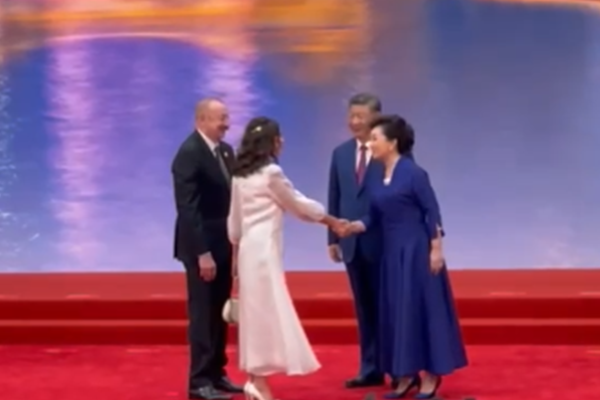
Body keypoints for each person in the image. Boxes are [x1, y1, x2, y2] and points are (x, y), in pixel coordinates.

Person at [338, 115, 467, 399]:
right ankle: (406, 374)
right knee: (398, 312)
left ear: (392, 143)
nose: (370, 143)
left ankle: (431, 375)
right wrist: (354, 226)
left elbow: (431, 211)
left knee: (422, 309)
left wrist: (436, 249)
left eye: (375, 138)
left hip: (416, 251)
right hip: (391, 253)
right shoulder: (376, 175)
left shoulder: (414, 173)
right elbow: (373, 215)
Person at [227, 116, 343, 400]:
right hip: (264, 253)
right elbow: (298, 205)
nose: (283, 141)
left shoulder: (239, 175)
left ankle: (255, 379)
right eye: (279, 137)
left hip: (248, 251)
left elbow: (234, 224)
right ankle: (258, 382)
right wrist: (331, 221)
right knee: (266, 313)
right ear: (271, 141)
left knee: (255, 315)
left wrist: (235, 260)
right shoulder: (271, 173)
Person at [171, 99, 243, 400]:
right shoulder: (189, 154)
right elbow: (188, 209)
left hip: (223, 244)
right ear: (201, 119)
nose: (226, 124)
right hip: (201, 249)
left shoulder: (225, 151)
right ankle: (199, 381)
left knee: (219, 312)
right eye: (220, 118)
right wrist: (203, 254)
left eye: (226, 117)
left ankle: (216, 373)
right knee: (203, 314)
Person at [327, 93, 388, 388]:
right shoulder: (340, 153)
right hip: (351, 245)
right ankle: (370, 368)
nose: (354, 122)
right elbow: (335, 195)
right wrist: (332, 238)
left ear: (376, 118)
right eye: (351, 116)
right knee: (364, 309)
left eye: (360, 116)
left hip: (384, 242)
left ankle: (399, 367)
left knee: (389, 307)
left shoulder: (390, 150)